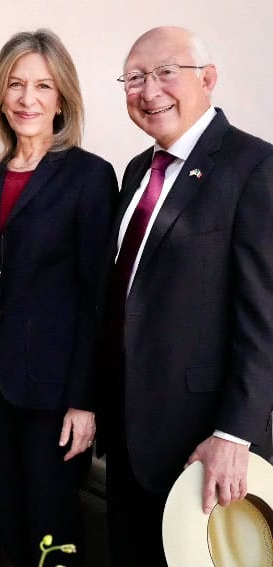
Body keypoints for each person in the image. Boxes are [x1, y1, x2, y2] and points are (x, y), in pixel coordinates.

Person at [104, 26, 273, 566]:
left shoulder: (254, 168)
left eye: (165, 72)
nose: (149, 90)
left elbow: (264, 319)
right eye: (134, 78)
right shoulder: (136, 173)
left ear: (209, 79)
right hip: (131, 439)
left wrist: (233, 435)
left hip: (206, 447)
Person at [0, 29, 117, 567]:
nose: (28, 99)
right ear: (0, 94)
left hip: (56, 395)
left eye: (43, 86)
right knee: (10, 530)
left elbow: (99, 297)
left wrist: (85, 400)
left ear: (62, 98)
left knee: (54, 539)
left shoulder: (90, 177)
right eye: (16, 85)